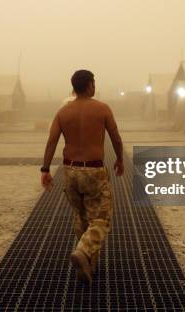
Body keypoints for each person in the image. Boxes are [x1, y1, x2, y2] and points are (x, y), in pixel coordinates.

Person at [40, 69, 124, 284]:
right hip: (93, 171)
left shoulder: (62, 112)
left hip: (70, 171)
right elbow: (115, 138)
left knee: (81, 217)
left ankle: (89, 265)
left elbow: (51, 142)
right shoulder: (102, 108)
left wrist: (45, 169)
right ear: (89, 86)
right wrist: (120, 160)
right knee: (101, 219)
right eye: (93, 83)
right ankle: (84, 251)